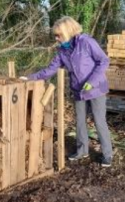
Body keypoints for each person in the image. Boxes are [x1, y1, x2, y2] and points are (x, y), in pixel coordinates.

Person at [21, 16, 113, 167]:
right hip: (79, 91)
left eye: (59, 35)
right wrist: (29, 78)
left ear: (68, 31)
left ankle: (107, 154)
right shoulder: (63, 51)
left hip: (96, 89)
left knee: (99, 121)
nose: (56, 38)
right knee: (80, 122)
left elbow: (103, 61)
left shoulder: (86, 42)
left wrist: (91, 82)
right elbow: (49, 70)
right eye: (55, 35)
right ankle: (82, 150)